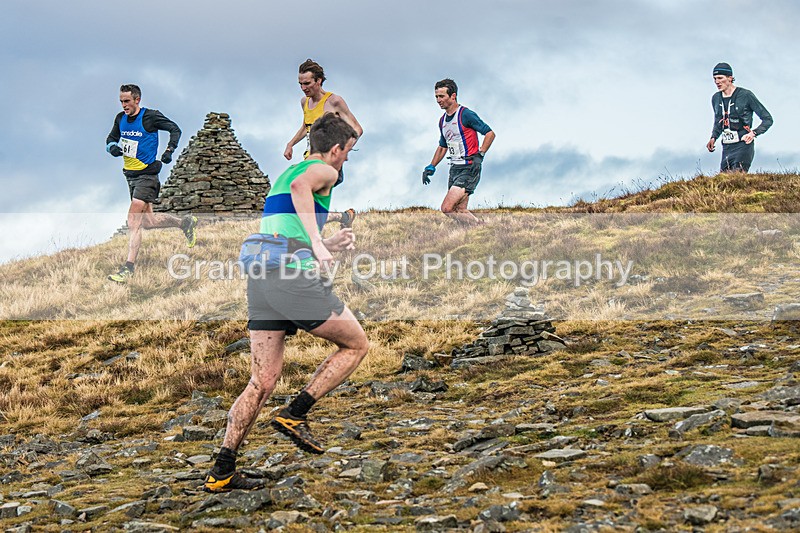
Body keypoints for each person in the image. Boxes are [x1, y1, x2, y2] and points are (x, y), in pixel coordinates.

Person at [203, 113, 369, 493]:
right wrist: (318, 243)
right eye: (348, 152)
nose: (346, 159)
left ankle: (222, 470)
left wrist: (326, 243)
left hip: (263, 277)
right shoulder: (322, 170)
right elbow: (300, 187)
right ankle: (295, 413)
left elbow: (286, 229)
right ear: (335, 149)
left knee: (261, 381)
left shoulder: (285, 173)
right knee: (357, 344)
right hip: (292, 277)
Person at [106, 84, 197, 283]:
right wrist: (112, 147)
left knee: (133, 220)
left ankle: (128, 268)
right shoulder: (120, 119)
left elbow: (175, 129)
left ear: (137, 99)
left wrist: (169, 151)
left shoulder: (150, 117)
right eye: (121, 101)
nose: (124, 105)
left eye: (127, 101)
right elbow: (111, 138)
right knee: (149, 222)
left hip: (147, 175)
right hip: (130, 175)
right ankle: (184, 223)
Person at [284, 59, 362, 227]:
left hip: (329, 163)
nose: (303, 88)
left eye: (307, 83)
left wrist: (341, 153)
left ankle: (337, 222)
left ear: (318, 81)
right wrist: (290, 144)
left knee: (303, 202)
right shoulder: (304, 102)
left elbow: (357, 129)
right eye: (300, 84)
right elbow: (307, 126)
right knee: (303, 204)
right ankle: (344, 218)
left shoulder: (334, 101)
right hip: (310, 160)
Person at [422, 78, 495, 225]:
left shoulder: (465, 115)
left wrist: (480, 154)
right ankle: (478, 230)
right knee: (460, 209)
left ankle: (481, 226)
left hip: (469, 167)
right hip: (454, 168)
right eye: (436, 96)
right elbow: (443, 146)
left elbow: (489, 133)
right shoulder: (442, 121)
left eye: (441, 96)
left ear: (453, 96)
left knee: (447, 208)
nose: (438, 100)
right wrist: (431, 166)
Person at [706, 63, 773, 173]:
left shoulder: (746, 95)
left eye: (720, 78)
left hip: (743, 145)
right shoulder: (715, 98)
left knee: (737, 177)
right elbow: (718, 121)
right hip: (726, 147)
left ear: (730, 78)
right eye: (715, 79)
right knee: (724, 181)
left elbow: (768, 119)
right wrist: (713, 137)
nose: (717, 82)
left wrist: (753, 133)